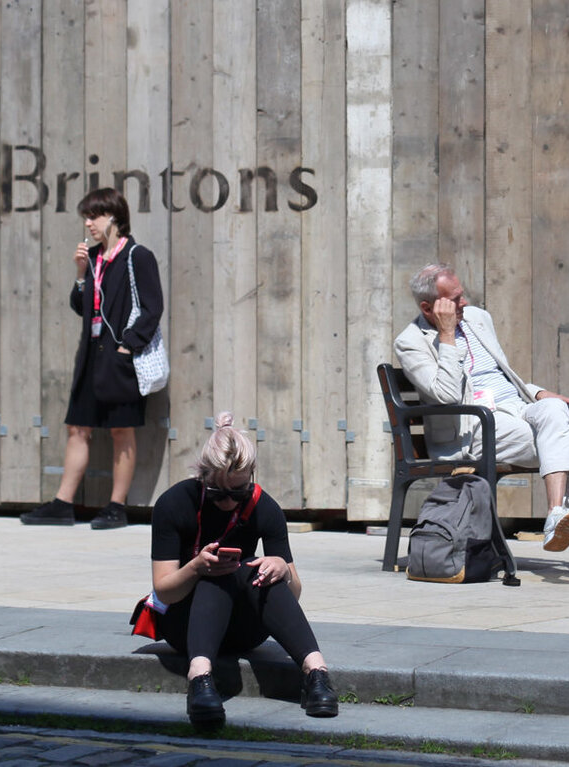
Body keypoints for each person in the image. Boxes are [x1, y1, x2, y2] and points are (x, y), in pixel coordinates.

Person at [394, 264, 569, 584]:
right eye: (454, 299)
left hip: (512, 410)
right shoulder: (410, 342)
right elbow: (447, 396)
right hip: (472, 428)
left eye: (463, 295)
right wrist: (447, 335)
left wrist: (537, 392)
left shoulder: (478, 319)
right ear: (428, 307)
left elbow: (501, 375)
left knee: (555, 409)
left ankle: (557, 514)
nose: (463, 304)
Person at [145, 414, 337, 728]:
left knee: (254, 566)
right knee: (217, 571)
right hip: (185, 622)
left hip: (244, 627)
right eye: (218, 494)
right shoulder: (174, 504)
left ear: (251, 476)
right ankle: (200, 679)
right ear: (202, 476)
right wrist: (196, 567)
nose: (229, 503)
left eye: (239, 493)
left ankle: (317, 674)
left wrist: (281, 570)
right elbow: (164, 590)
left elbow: (294, 593)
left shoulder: (265, 508)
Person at [20, 187, 162, 528]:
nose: (88, 224)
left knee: (121, 431)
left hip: (120, 358)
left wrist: (128, 346)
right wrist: (81, 274)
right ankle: (63, 503)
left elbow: (152, 307)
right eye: (85, 217)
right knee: (77, 428)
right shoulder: (94, 258)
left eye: (93, 216)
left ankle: (116, 506)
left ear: (113, 217)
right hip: (90, 356)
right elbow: (79, 306)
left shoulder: (137, 256)